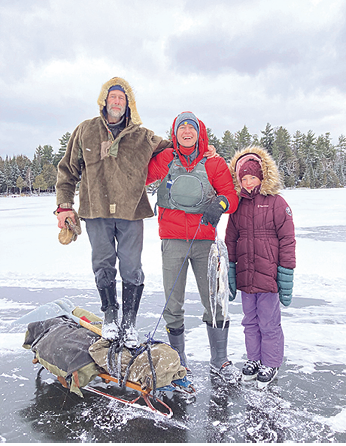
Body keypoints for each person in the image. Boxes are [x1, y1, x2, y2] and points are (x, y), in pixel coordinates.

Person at [55, 77, 174, 346]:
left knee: (132, 267)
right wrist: (64, 206)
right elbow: (67, 170)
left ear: (128, 103)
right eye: (112, 97)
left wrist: (202, 147)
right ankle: (110, 317)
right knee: (103, 264)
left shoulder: (142, 136)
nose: (116, 101)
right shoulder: (85, 130)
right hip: (95, 210)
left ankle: (129, 323)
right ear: (104, 101)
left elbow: (175, 148)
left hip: (131, 211)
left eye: (122, 97)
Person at [146, 111, 239, 382]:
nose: (187, 131)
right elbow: (139, 176)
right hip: (172, 240)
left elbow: (230, 196)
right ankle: (178, 361)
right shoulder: (165, 159)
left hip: (205, 242)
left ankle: (219, 360)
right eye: (181, 127)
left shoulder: (214, 163)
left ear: (200, 133)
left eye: (192, 127)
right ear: (175, 133)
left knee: (214, 300)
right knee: (172, 303)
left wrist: (219, 205)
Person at [225, 146, 296, 387]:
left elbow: (287, 239)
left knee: (269, 321)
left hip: (268, 275)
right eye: (243, 178)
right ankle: (254, 359)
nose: (248, 182)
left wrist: (285, 272)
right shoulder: (238, 206)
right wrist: (231, 269)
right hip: (246, 273)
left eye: (252, 177)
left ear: (262, 176)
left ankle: (271, 361)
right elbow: (230, 239)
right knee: (249, 320)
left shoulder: (277, 203)